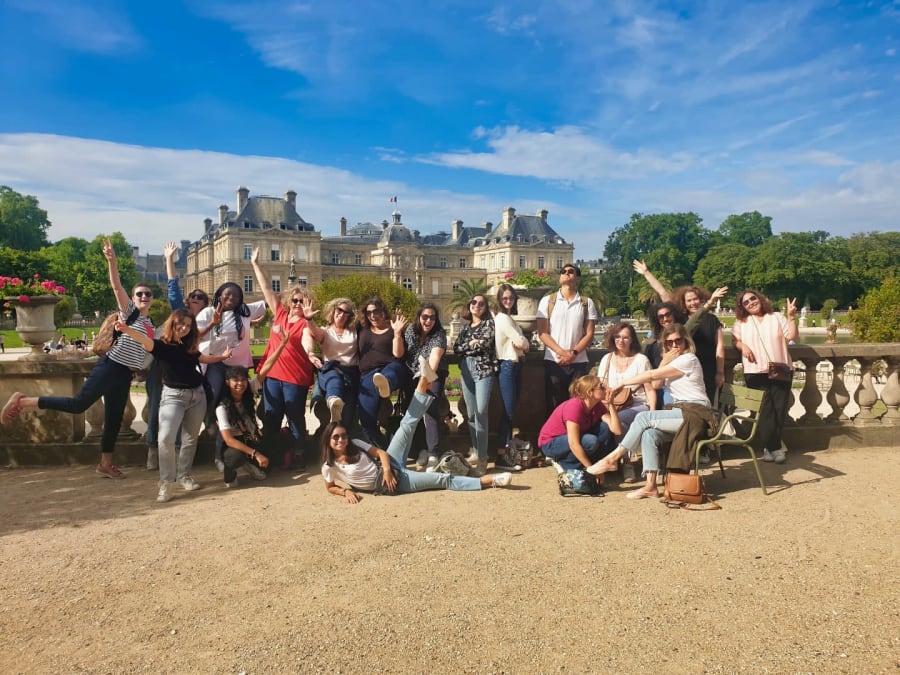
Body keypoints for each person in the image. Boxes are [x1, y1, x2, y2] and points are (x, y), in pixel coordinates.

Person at [0, 238, 153, 479]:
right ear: (133, 299)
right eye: (140, 294)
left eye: (148, 294)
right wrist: (112, 261)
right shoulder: (130, 313)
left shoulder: (149, 323)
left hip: (124, 374)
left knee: (113, 419)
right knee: (79, 404)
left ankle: (105, 464)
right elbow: (117, 287)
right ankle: (23, 401)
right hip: (110, 366)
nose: (144, 297)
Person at [320, 358, 513, 502]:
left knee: (407, 425)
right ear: (328, 441)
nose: (341, 440)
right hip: (397, 482)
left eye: (343, 435)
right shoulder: (329, 466)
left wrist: (386, 469)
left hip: (389, 464)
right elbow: (329, 486)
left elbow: (380, 453)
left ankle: (424, 381)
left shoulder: (354, 443)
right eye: (336, 437)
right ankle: (488, 481)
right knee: (442, 479)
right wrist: (345, 491)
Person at [115, 309, 232, 502]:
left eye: (188, 325)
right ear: (173, 324)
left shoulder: (190, 345)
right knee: (165, 439)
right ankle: (166, 482)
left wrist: (223, 356)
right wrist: (125, 329)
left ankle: (184, 475)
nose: (184, 328)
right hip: (173, 396)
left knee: (189, 439)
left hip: (197, 395)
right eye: (181, 324)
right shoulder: (161, 346)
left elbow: (202, 358)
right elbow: (143, 340)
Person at [585, 323, 712, 500]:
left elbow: (652, 377)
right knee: (649, 434)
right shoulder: (673, 362)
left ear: (686, 341)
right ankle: (651, 486)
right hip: (681, 412)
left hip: (697, 413)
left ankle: (613, 458)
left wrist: (623, 383)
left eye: (678, 341)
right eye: (669, 343)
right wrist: (665, 360)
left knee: (643, 417)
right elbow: (657, 384)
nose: (674, 346)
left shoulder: (689, 359)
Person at [251, 247, 317, 470]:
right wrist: (255, 264)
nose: (299, 304)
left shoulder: (305, 324)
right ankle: (272, 454)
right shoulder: (279, 313)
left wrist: (310, 353)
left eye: (303, 301)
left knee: (295, 418)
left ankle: (298, 455)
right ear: (290, 300)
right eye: (296, 300)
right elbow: (267, 287)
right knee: (271, 418)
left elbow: (308, 340)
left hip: (295, 379)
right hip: (272, 376)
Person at [632, 260, 727, 404]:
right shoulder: (672, 327)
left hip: (696, 372)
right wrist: (646, 273)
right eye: (689, 300)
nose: (665, 318)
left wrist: (711, 302)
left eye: (695, 299)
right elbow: (663, 293)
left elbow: (700, 321)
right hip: (671, 379)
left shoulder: (683, 327)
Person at [197, 279, 267, 471]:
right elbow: (195, 335)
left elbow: (269, 299)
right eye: (227, 294)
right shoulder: (208, 312)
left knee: (240, 411)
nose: (230, 298)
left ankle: (233, 457)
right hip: (218, 363)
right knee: (218, 398)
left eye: (235, 295)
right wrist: (213, 324)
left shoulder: (244, 311)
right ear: (219, 294)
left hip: (239, 367)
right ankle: (210, 421)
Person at [732, 290, 798, 464]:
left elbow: (791, 336)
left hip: (780, 368)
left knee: (779, 409)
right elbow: (735, 340)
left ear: (759, 298)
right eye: (746, 302)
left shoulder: (776, 317)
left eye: (753, 298)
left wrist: (790, 317)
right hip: (755, 370)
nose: (751, 303)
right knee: (763, 411)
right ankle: (775, 448)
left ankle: (769, 447)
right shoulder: (741, 322)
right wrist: (743, 346)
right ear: (742, 307)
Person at [595, 322, 656, 482]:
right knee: (610, 422)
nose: (620, 341)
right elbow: (602, 386)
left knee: (619, 420)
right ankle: (618, 460)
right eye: (617, 337)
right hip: (612, 404)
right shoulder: (606, 359)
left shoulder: (641, 360)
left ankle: (625, 462)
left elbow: (649, 389)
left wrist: (653, 412)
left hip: (638, 404)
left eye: (625, 337)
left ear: (632, 340)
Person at [536, 264, 598, 416]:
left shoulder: (586, 303)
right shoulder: (547, 301)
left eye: (571, 272)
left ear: (577, 278)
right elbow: (543, 332)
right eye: (563, 272)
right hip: (554, 360)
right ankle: (556, 437)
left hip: (578, 362)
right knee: (554, 404)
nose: (566, 274)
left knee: (577, 404)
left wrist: (573, 353)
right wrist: (562, 352)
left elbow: (589, 334)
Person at [538, 374, 622, 472]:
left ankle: (594, 464)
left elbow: (617, 430)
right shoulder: (574, 407)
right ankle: (566, 463)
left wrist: (611, 404)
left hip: (573, 439)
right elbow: (573, 443)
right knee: (590, 441)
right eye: (601, 386)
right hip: (551, 443)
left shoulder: (597, 405)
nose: (606, 389)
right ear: (590, 392)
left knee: (604, 428)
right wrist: (591, 469)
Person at [356, 297, 410, 447]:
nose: (373, 315)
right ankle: (383, 450)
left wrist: (398, 333)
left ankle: (386, 384)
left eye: (377, 311)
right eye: (369, 313)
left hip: (391, 367)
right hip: (368, 375)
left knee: (390, 371)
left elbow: (398, 354)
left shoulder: (393, 329)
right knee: (366, 419)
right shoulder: (361, 329)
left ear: (383, 312)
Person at [453, 293, 497, 476]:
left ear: (485, 308)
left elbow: (485, 343)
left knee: (481, 413)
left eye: (481, 303)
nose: (476, 305)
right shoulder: (464, 328)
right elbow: (456, 348)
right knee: (471, 415)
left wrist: (470, 345)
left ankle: (483, 458)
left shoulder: (489, 324)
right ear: (469, 305)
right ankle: (478, 451)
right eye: (473, 302)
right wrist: (471, 343)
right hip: (467, 372)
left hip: (483, 371)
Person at [402, 303, 448, 472]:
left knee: (429, 409)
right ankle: (421, 449)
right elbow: (401, 353)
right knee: (413, 410)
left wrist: (425, 380)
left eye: (432, 317)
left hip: (433, 373)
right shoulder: (410, 331)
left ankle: (433, 453)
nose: (428, 320)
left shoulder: (439, 335)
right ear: (419, 317)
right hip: (412, 373)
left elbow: (434, 359)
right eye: (425, 317)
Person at [304, 297, 360, 427]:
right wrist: (309, 319)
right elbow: (314, 332)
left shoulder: (354, 331)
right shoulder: (326, 331)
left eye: (347, 312)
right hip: (331, 370)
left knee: (348, 416)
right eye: (339, 310)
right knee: (334, 380)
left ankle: (343, 435)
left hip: (350, 374)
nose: (342, 314)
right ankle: (333, 401)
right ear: (333, 310)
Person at [493, 284, 530, 471]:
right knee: (507, 410)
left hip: (515, 365)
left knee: (511, 409)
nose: (508, 301)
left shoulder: (509, 318)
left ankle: (505, 451)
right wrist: (524, 344)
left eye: (511, 298)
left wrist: (524, 344)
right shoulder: (502, 318)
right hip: (507, 365)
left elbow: (524, 344)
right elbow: (520, 341)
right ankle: (501, 454)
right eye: (505, 298)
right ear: (499, 300)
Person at [216, 366, 270, 488]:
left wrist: (281, 346)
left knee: (270, 464)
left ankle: (248, 464)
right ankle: (230, 472)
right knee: (236, 457)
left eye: (243, 379)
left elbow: (264, 371)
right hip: (233, 444)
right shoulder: (222, 407)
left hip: (250, 438)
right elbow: (229, 440)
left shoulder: (247, 395)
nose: (240, 383)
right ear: (227, 382)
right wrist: (256, 454)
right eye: (235, 380)